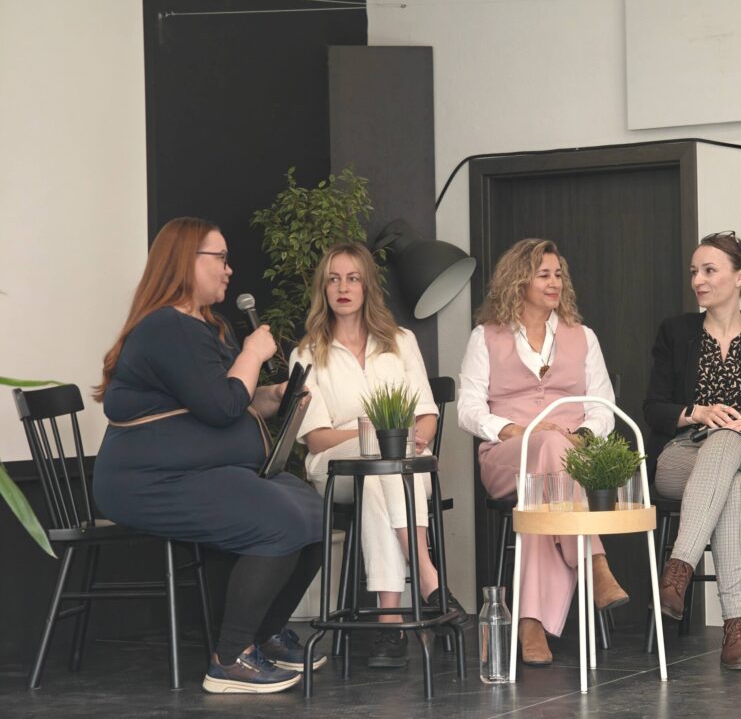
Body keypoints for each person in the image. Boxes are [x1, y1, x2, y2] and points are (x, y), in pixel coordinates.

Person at [93, 217, 325, 694]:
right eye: (220, 257)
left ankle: (264, 634)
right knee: (280, 520)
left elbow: (227, 400)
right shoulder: (165, 327)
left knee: (314, 513)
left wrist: (273, 396)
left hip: (202, 471)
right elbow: (221, 407)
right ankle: (231, 659)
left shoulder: (205, 326)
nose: (229, 269)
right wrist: (252, 354)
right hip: (152, 480)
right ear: (186, 261)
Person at [290, 242, 468, 669]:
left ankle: (390, 623)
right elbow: (316, 438)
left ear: (367, 285)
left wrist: (409, 440)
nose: (343, 288)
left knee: (381, 471)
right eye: (334, 279)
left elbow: (427, 416)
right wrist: (378, 435)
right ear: (323, 289)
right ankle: (427, 576)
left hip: (402, 467)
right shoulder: (306, 353)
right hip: (336, 470)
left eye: (352, 278)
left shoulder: (401, 342)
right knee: (383, 452)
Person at [457, 238, 628, 666]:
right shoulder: (485, 337)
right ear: (518, 281)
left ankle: (530, 622)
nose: (554, 283)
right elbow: (468, 410)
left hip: (570, 457)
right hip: (506, 457)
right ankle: (594, 562)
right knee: (546, 450)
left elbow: (602, 408)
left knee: (541, 496)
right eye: (543, 274)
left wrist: (580, 437)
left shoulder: (583, 337)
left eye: (558, 275)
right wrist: (516, 430)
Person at [643, 230, 741, 670]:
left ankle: (678, 569)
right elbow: (653, 408)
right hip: (683, 455)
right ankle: (737, 628)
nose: (698, 280)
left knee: (729, 440)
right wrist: (697, 412)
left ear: (740, 276)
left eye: (709, 270)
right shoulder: (675, 332)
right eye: (694, 271)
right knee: (731, 488)